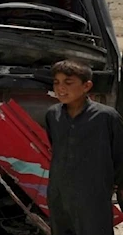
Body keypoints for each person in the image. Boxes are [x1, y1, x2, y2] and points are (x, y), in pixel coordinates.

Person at [46, 59, 123, 235]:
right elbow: (55, 147)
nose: (60, 88)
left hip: (93, 195)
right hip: (59, 194)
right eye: (56, 83)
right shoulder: (53, 115)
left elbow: (120, 155)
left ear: (86, 86)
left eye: (68, 82)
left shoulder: (106, 117)